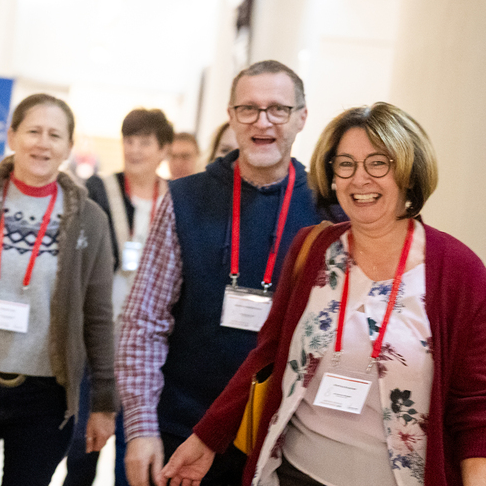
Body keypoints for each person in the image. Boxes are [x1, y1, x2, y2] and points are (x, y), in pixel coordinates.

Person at [161, 103, 486, 486]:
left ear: (408, 171)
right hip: (293, 474)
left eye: (378, 163)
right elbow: (269, 354)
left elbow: (475, 409)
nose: (359, 179)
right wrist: (207, 438)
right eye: (345, 164)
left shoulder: (458, 271)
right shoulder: (313, 248)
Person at [116, 60, 324, 486]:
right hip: (181, 431)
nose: (262, 121)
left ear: (301, 117)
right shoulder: (184, 199)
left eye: (278, 109)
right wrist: (141, 428)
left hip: (280, 443)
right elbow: (143, 322)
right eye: (248, 109)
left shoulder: (326, 211)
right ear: (231, 116)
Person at [0, 93, 118, 486]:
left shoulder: (90, 219)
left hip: (46, 397)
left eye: (55, 135)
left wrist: (103, 402)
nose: (43, 143)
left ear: (68, 147)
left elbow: (98, 315)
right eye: (33, 131)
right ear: (12, 136)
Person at [65, 108, 175, 486]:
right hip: (97, 337)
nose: (135, 149)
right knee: (82, 446)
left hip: (145, 344)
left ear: (163, 149)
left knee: (133, 453)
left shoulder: (176, 199)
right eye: (129, 140)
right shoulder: (97, 189)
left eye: (145, 142)